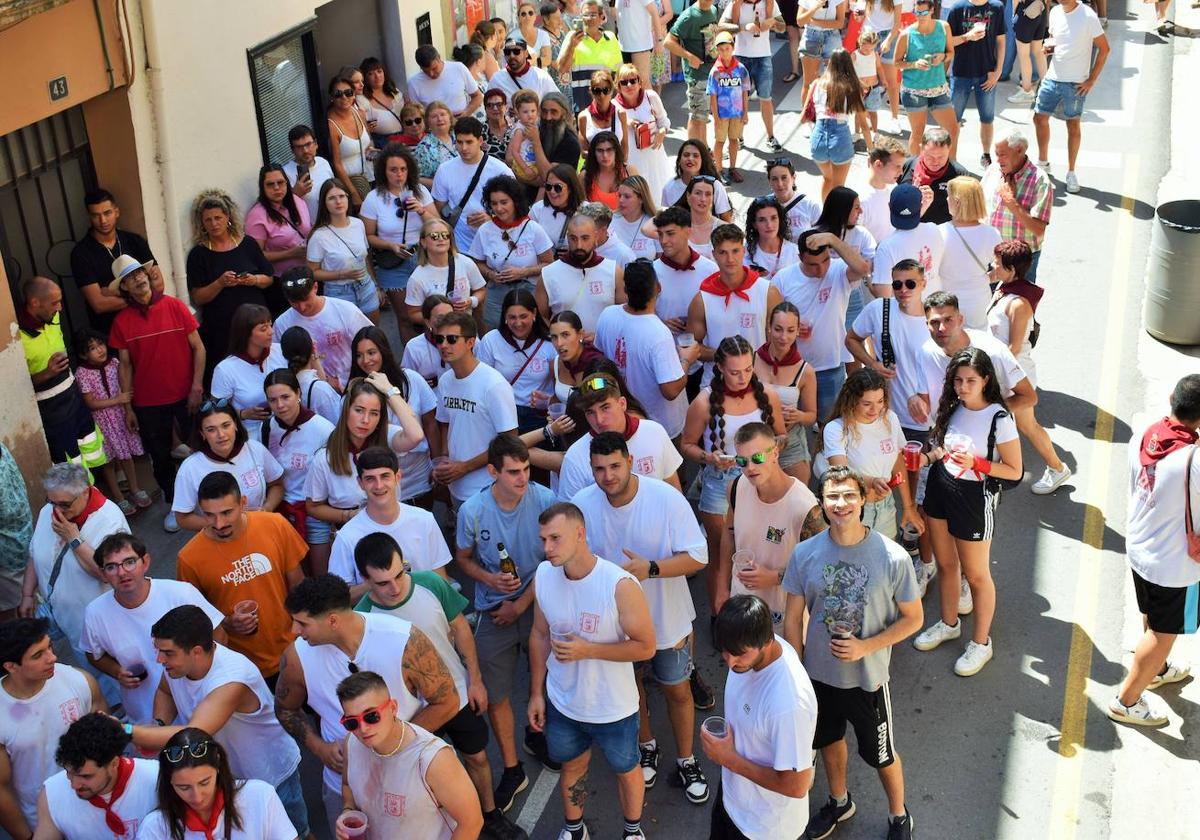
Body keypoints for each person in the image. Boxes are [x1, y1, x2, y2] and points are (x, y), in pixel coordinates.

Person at [352, 536, 527, 840]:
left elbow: (460, 628)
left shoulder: (431, 584)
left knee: (477, 758)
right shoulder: (363, 617)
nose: (395, 588)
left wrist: (475, 679)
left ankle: (489, 815)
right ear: (365, 580)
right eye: (382, 583)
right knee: (421, 775)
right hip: (409, 712)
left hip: (454, 694)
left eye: (399, 574)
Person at [782, 466, 921, 840]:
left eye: (848, 495)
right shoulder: (805, 554)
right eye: (832, 496)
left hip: (868, 680)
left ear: (862, 500)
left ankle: (898, 816)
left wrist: (866, 647)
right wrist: (796, 671)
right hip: (818, 678)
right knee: (828, 740)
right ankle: (839, 801)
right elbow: (792, 619)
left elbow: (914, 619)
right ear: (823, 503)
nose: (841, 503)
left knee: (882, 754)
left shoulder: (892, 557)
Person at [572, 433, 711, 805]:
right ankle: (646, 746)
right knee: (632, 692)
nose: (608, 476)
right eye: (599, 469)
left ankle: (687, 758)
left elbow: (699, 556)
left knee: (678, 690)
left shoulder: (665, 498)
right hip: (616, 627)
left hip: (668, 619)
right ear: (591, 469)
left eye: (615, 466)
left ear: (630, 461)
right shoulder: (581, 505)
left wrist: (649, 568)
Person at [274, 575, 462, 837]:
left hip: (409, 778)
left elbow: (447, 701)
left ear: (332, 621)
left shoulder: (403, 639)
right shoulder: (296, 658)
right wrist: (320, 748)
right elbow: (284, 708)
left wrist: (394, 746)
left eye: (302, 623)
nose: (294, 631)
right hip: (342, 785)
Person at [527, 502, 657, 840]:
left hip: (613, 708)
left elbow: (646, 647)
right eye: (543, 539)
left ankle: (632, 831)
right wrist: (536, 693)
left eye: (555, 538)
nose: (547, 548)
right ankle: (575, 829)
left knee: (627, 770)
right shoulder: (544, 575)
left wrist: (588, 650)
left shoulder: (619, 585)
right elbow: (540, 634)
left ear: (580, 534)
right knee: (572, 766)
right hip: (563, 702)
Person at [124, 606, 309, 837]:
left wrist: (126, 731)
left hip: (270, 775)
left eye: (168, 653)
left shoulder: (231, 678)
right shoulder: (178, 668)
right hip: (220, 777)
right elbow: (165, 691)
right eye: (159, 651)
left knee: (297, 833)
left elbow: (196, 732)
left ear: (197, 651)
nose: (159, 659)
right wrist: (159, 724)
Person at [455, 436, 559, 798]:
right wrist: (489, 580)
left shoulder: (544, 500)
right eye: (514, 471)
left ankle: (537, 734)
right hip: (492, 609)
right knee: (496, 695)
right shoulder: (473, 511)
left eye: (527, 469)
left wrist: (521, 603)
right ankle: (513, 770)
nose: (523, 478)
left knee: (544, 676)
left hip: (536, 603)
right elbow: (463, 558)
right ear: (492, 471)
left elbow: (552, 561)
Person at [911, 349, 1021, 678]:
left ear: (986, 379)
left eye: (970, 380)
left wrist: (979, 464)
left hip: (974, 496)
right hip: (941, 489)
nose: (962, 387)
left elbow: (1015, 471)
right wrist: (927, 460)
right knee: (946, 565)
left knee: (975, 576)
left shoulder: (1000, 419)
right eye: (958, 380)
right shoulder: (953, 408)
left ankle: (981, 642)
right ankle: (948, 624)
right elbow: (947, 448)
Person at [1106, 374, 1200, 727]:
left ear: (1172, 398)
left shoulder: (1145, 434)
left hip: (1141, 546)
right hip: (1174, 563)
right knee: (1164, 633)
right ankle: (1126, 701)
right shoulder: (1193, 459)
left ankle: (1157, 670)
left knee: (1152, 618)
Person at [682, 335, 786, 613]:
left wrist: (771, 449)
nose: (743, 378)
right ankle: (720, 616)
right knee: (720, 554)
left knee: (762, 548)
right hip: (720, 482)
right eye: (734, 372)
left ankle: (758, 614)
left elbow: (781, 435)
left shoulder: (768, 395)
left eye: (748, 370)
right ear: (718, 368)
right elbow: (687, 444)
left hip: (762, 480)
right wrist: (709, 457)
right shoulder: (704, 403)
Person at [702, 595, 819, 840]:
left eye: (739, 654)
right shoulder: (749, 652)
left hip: (765, 829)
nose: (731, 662)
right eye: (725, 652)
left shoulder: (788, 704)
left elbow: (797, 785)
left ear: (767, 640)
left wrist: (729, 759)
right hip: (732, 804)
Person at [175, 471, 306, 682]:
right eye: (209, 515)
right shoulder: (189, 558)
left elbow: (299, 586)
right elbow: (195, 618)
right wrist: (227, 623)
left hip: (294, 649)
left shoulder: (275, 525)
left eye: (227, 512)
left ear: (243, 502)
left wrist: (305, 634)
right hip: (242, 667)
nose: (219, 524)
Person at [82, 533, 225, 725]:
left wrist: (198, 676)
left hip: (198, 706)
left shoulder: (180, 593)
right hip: (144, 715)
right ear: (103, 574)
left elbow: (219, 636)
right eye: (111, 567)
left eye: (129, 562)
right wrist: (117, 671)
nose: (122, 572)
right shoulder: (95, 613)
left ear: (145, 562)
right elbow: (94, 654)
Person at [105, 257, 204, 530]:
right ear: (124, 287)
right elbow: (124, 366)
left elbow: (199, 347)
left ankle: (208, 498)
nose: (137, 278)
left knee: (201, 446)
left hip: (186, 393)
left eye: (139, 272)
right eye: (129, 277)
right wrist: (128, 408)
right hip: (148, 401)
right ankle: (175, 505)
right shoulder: (122, 321)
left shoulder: (174, 306)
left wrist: (197, 385)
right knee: (160, 458)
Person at [334, 671, 486, 840]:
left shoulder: (433, 759)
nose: (362, 729)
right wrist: (348, 812)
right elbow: (348, 784)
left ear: (393, 708)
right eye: (352, 722)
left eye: (371, 716)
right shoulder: (352, 743)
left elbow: (472, 822)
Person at [21, 463, 126, 705]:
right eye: (52, 502)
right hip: (56, 609)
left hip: (92, 618)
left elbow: (107, 572)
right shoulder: (50, 510)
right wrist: (27, 594)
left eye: (65, 504)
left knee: (103, 666)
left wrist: (73, 537)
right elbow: (35, 552)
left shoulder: (110, 520)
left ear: (86, 492)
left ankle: (119, 711)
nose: (57, 510)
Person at [0, 618, 105, 839]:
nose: (52, 657)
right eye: (38, 655)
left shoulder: (78, 680)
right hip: (44, 820)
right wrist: (26, 836)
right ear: (11, 666)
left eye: (49, 646)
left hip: (98, 808)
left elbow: (104, 741)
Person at [986, 241, 1071, 494]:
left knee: (1022, 425)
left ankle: (1056, 468)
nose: (993, 266)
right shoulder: (1005, 287)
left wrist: (988, 370)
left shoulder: (1019, 304)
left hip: (1014, 376)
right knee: (1016, 423)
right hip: (1004, 373)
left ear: (1011, 270)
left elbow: (1013, 347)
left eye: (998, 264)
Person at [723, 422, 824, 630]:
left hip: (783, 616)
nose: (750, 468)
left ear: (775, 453)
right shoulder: (737, 487)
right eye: (742, 461)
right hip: (740, 605)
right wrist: (720, 590)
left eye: (758, 458)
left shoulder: (804, 507)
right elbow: (729, 534)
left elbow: (821, 569)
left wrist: (774, 577)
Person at [303, 377, 424, 542]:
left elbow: (416, 435)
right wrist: (349, 515)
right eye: (359, 410)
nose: (365, 420)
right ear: (346, 410)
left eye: (374, 413)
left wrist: (390, 391)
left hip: (391, 530)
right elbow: (313, 507)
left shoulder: (387, 438)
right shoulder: (325, 458)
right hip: (350, 534)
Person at [769, 229, 871, 422]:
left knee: (831, 426)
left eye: (825, 261)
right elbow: (772, 320)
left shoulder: (839, 269)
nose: (821, 269)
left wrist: (833, 240)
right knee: (794, 427)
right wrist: (792, 328)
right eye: (813, 265)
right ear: (800, 257)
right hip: (793, 368)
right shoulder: (783, 279)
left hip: (830, 367)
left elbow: (863, 268)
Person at [327, 447, 451, 595]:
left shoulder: (424, 520)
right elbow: (339, 598)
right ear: (360, 483)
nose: (379, 486)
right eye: (370, 479)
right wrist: (377, 583)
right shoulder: (346, 537)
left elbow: (441, 579)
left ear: (397, 477)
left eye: (385, 476)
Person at [818, 369, 923, 544]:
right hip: (852, 508)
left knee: (885, 562)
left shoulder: (890, 418)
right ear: (852, 401)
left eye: (880, 401)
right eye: (866, 403)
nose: (875, 409)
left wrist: (908, 507)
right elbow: (841, 473)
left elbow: (898, 463)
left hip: (886, 507)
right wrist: (872, 481)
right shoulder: (836, 429)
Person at [136, 727, 295, 840]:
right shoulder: (155, 828)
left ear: (218, 765)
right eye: (183, 787)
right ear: (169, 782)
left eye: (205, 782)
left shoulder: (259, 796)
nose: (197, 797)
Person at [185, 189, 274, 384]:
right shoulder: (198, 255)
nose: (214, 224)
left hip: (255, 323)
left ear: (228, 217)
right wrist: (219, 283)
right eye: (208, 220)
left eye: (218, 217)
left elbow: (269, 278)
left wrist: (253, 280)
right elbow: (198, 297)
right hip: (222, 328)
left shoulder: (248, 244)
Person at [432, 311, 521, 505]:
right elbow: (445, 423)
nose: (444, 345)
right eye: (439, 339)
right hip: (456, 484)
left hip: (488, 488)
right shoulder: (446, 380)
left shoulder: (493, 384)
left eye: (452, 339)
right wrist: (445, 459)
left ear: (471, 342)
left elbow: (509, 440)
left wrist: (465, 467)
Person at [595, 260, 691, 440]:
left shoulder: (607, 315)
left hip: (624, 420)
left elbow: (601, 360)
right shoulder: (658, 333)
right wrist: (687, 359)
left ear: (625, 289)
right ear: (658, 288)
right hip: (662, 429)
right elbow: (670, 390)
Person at [846, 259, 938, 444]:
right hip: (883, 415)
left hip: (922, 419)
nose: (903, 289)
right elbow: (851, 339)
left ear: (923, 284)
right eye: (897, 284)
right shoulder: (879, 309)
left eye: (910, 284)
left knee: (914, 470)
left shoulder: (935, 321)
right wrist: (872, 364)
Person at [18, 277, 106, 469]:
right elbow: (17, 387)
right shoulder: (18, 336)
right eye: (54, 303)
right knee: (70, 467)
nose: (60, 308)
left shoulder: (53, 316)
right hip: (53, 414)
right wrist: (47, 373)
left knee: (93, 451)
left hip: (75, 401)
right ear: (34, 303)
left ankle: (98, 494)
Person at [688, 225, 786, 389]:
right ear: (714, 255)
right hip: (715, 385)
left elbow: (781, 341)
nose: (730, 259)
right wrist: (724, 356)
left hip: (760, 383)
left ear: (744, 251)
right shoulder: (701, 299)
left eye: (735, 251)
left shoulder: (768, 292)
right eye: (723, 252)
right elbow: (691, 346)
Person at [557, 372, 683, 499]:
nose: (599, 420)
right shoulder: (574, 457)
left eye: (605, 408)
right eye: (590, 412)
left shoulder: (654, 432)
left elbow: (674, 492)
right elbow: (570, 514)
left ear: (622, 404)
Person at [34, 712, 158, 840]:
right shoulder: (52, 794)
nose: (74, 785)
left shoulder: (156, 779)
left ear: (114, 763)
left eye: (86, 776)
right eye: (69, 773)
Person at [349, 327, 440, 501]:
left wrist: (437, 463)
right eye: (359, 355)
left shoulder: (411, 379)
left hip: (419, 478)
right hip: (379, 487)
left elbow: (430, 424)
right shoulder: (353, 392)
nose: (365, 360)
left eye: (371, 352)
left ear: (383, 351)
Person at [1031, 0, 1109, 194]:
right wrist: (1048, 48)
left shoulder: (1088, 16)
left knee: (1073, 125)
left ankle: (1071, 171)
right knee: (1039, 118)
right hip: (1052, 77)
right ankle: (1043, 162)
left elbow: (1105, 48)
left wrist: (1091, 80)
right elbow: (1054, 38)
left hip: (1075, 83)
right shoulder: (1055, 12)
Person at [261, 368, 339, 559]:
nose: (280, 405)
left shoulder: (324, 430)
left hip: (314, 515)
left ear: (298, 394)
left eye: (285, 397)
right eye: (273, 400)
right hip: (280, 513)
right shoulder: (267, 427)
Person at [171, 400, 283, 531]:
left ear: (235, 425)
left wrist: (267, 508)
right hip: (217, 539)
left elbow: (277, 484)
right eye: (211, 430)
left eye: (226, 425)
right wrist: (221, 526)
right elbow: (183, 518)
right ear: (202, 433)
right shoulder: (190, 468)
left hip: (259, 529)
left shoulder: (254, 448)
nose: (221, 435)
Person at [360, 144, 438, 333]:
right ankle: (412, 361)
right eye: (393, 170)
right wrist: (391, 246)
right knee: (405, 318)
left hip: (424, 257)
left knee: (432, 313)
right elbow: (368, 237)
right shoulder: (373, 198)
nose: (399, 175)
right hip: (394, 262)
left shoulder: (419, 191)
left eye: (403, 169)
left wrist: (421, 210)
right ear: (383, 172)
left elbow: (438, 225)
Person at [72, 329, 148, 516]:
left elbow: (125, 388)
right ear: (83, 354)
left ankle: (135, 489)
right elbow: (90, 403)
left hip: (121, 417)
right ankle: (118, 497)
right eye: (92, 348)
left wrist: (127, 408)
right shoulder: (82, 373)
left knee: (127, 455)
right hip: (102, 423)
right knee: (108, 460)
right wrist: (117, 400)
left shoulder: (114, 363)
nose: (99, 350)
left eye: (100, 345)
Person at [68, 189, 163, 335]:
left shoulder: (134, 241)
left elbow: (159, 285)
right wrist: (141, 294)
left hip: (149, 324)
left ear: (117, 212)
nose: (103, 221)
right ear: (89, 217)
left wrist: (114, 293)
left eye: (107, 213)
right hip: (111, 332)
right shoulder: (81, 253)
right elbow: (99, 304)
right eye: (96, 215)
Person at [469, 174, 556, 329]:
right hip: (496, 292)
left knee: (529, 330)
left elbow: (549, 264)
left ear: (515, 201)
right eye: (494, 203)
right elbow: (477, 262)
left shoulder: (532, 228)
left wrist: (522, 272)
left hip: (529, 290)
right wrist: (491, 274)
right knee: (494, 330)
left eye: (504, 202)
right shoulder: (485, 230)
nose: (499, 208)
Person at [273, 266, 373, 390]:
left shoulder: (345, 310)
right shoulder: (282, 324)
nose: (302, 307)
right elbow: (280, 363)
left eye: (305, 299)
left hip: (355, 384)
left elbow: (371, 342)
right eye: (294, 302)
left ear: (315, 287)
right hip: (311, 391)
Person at [478, 289, 559, 433]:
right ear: (504, 317)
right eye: (512, 317)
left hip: (538, 417)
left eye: (523, 316)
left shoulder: (549, 343)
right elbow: (482, 383)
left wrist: (548, 400)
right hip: (502, 415)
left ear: (534, 314)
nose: (518, 323)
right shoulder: (491, 340)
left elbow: (560, 384)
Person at [433, 117, 517, 253]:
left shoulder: (500, 170)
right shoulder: (444, 170)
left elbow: (517, 208)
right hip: (459, 247)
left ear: (480, 141)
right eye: (459, 142)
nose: (464, 148)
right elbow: (438, 211)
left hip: (495, 244)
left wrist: (492, 219)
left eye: (469, 142)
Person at [755, 303, 818, 483]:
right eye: (778, 329)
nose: (784, 337)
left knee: (797, 500)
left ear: (798, 330)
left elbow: (812, 416)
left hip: (791, 442)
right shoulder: (751, 360)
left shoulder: (806, 371)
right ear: (769, 327)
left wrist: (799, 416)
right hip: (756, 439)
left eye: (790, 330)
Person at [652, 207, 718, 374]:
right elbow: (640, 316)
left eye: (670, 233)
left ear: (688, 232)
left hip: (701, 364)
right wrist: (661, 323)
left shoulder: (710, 270)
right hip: (664, 361)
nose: (664, 240)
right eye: (660, 234)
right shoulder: (651, 272)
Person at [535, 213, 627, 333]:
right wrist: (563, 338)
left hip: (602, 349)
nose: (579, 245)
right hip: (564, 349)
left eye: (585, 238)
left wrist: (600, 337)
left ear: (595, 237)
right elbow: (541, 318)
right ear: (567, 238)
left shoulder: (614, 271)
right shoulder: (548, 274)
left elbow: (623, 315)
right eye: (573, 238)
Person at [982, 128, 1053, 282]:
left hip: (1020, 261)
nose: (998, 160)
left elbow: (1039, 230)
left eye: (1003, 155)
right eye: (996, 154)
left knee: (1018, 304)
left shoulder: (1040, 180)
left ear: (1019, 150)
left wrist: (1012, 203)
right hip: (991, 254)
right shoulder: (993, 170)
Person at [210, 303, 286, 441]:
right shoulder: (225, 369)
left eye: (270, 325)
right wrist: (243, 414)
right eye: (263, 329)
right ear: (246, 334)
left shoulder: (281, 351)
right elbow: (215, 411)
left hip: (285, 427)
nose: (271, 331)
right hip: (250, 434)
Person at [306, 180, 379, 322]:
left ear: (348, 198)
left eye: (341, 196)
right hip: (339, 292)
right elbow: (312, 272)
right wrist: (341, 274)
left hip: (366, 285)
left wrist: (375, 285)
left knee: (373, 331)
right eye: (332, 198)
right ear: (324, 203)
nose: (338, 201)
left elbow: (365, 258)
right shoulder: (319, 236)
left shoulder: (358, 224)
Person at [894, 0, 958, 158]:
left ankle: (952, 165)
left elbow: (951, 53)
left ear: (932, 10)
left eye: (923, 12)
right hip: (914, 91)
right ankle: (915, 170)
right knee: (918, 133)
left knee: (953, 129)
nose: (920, 16)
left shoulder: (944, 27)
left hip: (938, 88)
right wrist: (914, 64)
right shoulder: (907, 34)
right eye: (917, 12)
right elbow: (896, 62)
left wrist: (943, 57)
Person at [947, 0, 1005, 170]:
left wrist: (998, 71)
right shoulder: (957, 8)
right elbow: (948, 41)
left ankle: (986, 155)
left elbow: (1001, 41)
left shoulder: (996, 7)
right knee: (953, 121)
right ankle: (952, 161)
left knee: (987, 118)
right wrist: (968, 36)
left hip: (986, 73)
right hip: (960, 73)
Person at [719, 0, 784, 154]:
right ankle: (739, 137)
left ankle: (770, 137)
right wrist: (743, 27)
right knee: (739, 100)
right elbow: (721, 27)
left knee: (766, 99)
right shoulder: (736, 3)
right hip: (741, 57)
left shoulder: (769, 3)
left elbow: (782, 27)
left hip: (763, 57)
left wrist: (773, 22)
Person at [938, 177, 1001, 328]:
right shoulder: (992, 233)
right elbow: (1001, 269)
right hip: (979, 301)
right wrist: (984, 279)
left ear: (957, 202)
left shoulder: (939, 232)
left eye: (949, 196)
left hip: (946, 301)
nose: (947, 199)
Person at [813, 186, 878, 330]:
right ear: (842, 209)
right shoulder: (815, 235)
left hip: (852, 297)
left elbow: (868, 266)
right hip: (822, 296)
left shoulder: (862, 234)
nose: (860, 211)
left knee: (855, 338)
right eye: (856, 207)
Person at [806, 49, 866, 199]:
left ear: (830, 64)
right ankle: (835, 220)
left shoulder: (817, 83)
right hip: (840, 137)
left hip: (818, 137)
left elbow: (805, 113)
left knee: (827, 179)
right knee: (839, 187)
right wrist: (872, 150)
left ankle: (824, 214)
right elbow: (864, 124)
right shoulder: (852, 87)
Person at [870, 184, 945, 295]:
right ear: (920, 205)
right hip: (935, 305)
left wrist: (867, 275)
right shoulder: (934, 229)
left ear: (889, 206)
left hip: (906, 310)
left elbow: (883, 295)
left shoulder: (886, 247)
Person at [613, 64, 672, 202]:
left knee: (659, 196)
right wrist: (625, 122)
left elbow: (664, 121)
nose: (629, 85)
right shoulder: (614, 106)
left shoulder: (651, 97)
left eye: (633, 81)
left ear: (639, 82)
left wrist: (662, 131)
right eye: (624, 82)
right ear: (618, 86)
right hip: (632, 160)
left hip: (654, 156)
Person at [664, 0, 720, 143]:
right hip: (696, 76)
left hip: (711, 73)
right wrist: (689, 56)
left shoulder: (713, 10)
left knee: (703, 116)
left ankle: (703, 149)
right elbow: (668, 41)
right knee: (697, 118)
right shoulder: (689, 16)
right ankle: (694, 152)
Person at [245, 165, 312, 284]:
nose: (276, 188)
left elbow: (308, 228)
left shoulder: (298, 200)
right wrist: (290, 253)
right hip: (282, 280)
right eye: (270, 184)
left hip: (309, 272)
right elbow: (255, 256)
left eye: (280, 182)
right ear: (262, 187)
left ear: (287, 183)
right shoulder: (257, 215)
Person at [557, 1, 624, 112]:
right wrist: (572, 46)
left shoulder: (610, 38)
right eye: (585, 15)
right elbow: (562, 68)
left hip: (607, 104)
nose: (589, 18)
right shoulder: (571, 37)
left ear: (601, 16)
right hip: (582, 105)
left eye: (593, 14)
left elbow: (619, 73)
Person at [897, 127, 972, 226]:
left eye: (941, 157)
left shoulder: (960, 176)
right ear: (921, 149)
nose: (936, 162)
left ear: (949, 149)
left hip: (943, 233)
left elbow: (968, 212)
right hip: (909, 228)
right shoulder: (906, 166)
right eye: (930, 157)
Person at [706, 32, 751, 185]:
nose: (724, 52)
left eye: (727, 48)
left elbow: (745, 91)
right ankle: (719, 170)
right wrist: (716, 117)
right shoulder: (715, 71)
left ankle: (732, 168)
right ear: (717, 51)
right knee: (720, 141)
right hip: (722, 114)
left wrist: (745, 112)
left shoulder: (741, 69)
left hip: (737, 113)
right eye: (721, 49)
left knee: (734, 140)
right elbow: (712, 95)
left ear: (733, 48)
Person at [326, 74, 374, 206]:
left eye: (348, 93)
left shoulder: (358, 113)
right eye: (338, 94)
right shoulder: (331, 125)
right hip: (352, 184)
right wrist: (353, 193)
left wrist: (374, 152)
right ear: (331, 97)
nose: (344, 97)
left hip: (370, 177)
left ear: (354, 95)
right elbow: (337, 164)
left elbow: (368, 143)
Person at [279, 325, 342, 424]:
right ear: (312, 349)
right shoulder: (320, 389)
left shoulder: (283, 384)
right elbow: (338, 423)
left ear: (283, 353)